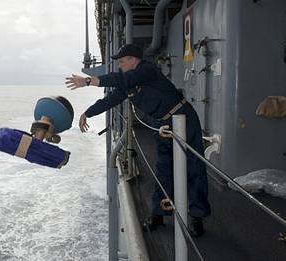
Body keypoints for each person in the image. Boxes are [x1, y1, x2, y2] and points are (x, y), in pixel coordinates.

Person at [65, 44, 211, 237]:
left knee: (194, 168)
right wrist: (87, 113)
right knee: (163, 170)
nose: (120, 65)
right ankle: (159, 213)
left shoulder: (146, 70)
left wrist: (88, 81)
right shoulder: (129, 83)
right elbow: (110, 99)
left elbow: (123, 79)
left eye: (122, 61)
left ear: (133, 59)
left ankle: (197, 217)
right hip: (162, 125)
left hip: (183, 117)